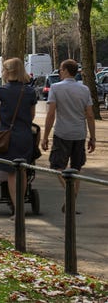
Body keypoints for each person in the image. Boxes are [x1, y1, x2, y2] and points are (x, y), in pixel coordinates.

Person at [41, 59, 96, 210]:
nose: (59, 72)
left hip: (62, 132)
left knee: (57, 166)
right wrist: (92, 137)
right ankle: (72, 200)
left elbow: (51, 114)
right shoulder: (84, 89)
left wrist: (45, 136)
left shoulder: (56, 88)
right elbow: (90, 115)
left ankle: (68, 192)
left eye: (60, 69)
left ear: (65, 70)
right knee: (76, 168)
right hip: (79, 133)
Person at [0, 57, 38, 213]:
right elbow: (32, 115)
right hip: (25, 136)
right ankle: (20, 205)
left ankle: (16, 208)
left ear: (7, 72)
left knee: (11, 173)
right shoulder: (29, 91)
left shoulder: (1, 91)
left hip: (7, 136)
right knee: (22, 172)